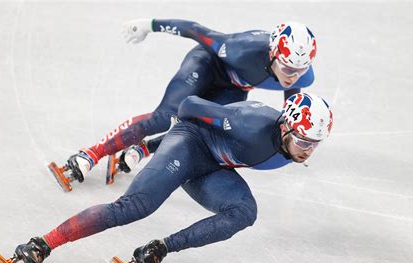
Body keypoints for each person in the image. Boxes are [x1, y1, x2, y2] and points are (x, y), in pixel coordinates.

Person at [10, 92, 333, 263]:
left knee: (244, 212)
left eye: (314, 145)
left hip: (214, 166)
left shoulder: (287, 143)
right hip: (190, 145)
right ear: (285, 127)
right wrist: (153, 146)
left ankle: (159, 249)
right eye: (303, 142)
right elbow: (190, 105)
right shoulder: (249, 124)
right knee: (134, 208)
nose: (307, 151)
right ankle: (41, 244)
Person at [50, 18, 318, 190]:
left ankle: (143, 149)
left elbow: (292, 102)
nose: (292, 75)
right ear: (273, 54)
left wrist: (295, 136)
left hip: (234, 88)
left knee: (203, 128)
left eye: (300, 69)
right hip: (206, 64)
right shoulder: (240, 48)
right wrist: (150, 24)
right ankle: (92, 153)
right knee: (166, 116)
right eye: (286, 67)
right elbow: (196, 30)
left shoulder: (299, 72)